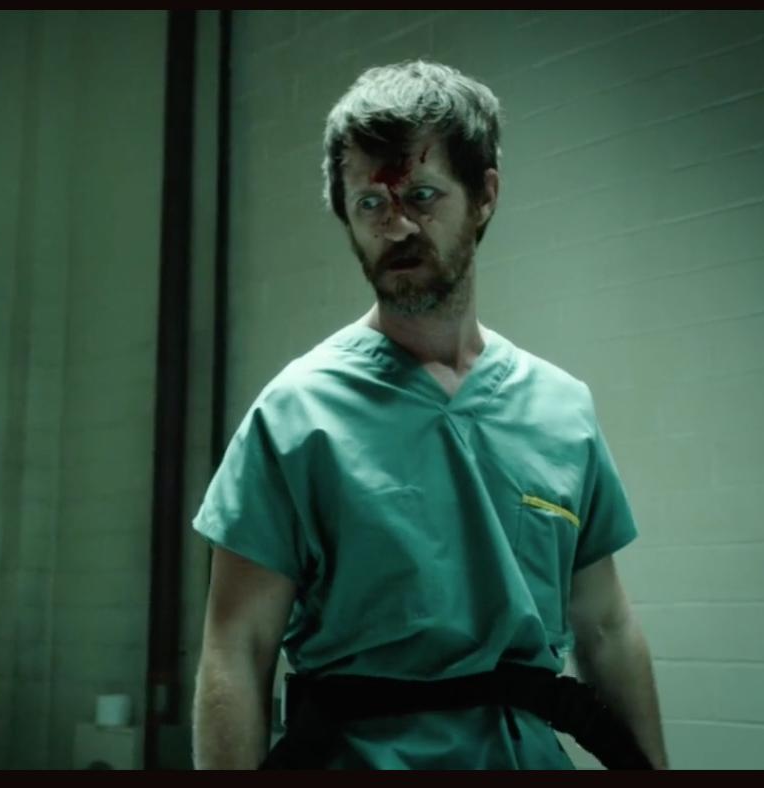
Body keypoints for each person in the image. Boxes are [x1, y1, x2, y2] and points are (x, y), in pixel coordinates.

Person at [189, 60, 668, 770]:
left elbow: (605, 626)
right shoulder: (297, 415)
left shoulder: (560, 409)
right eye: (369, 204)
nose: (398, 226)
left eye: (421, 195)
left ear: (484, 196)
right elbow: (237, 647)